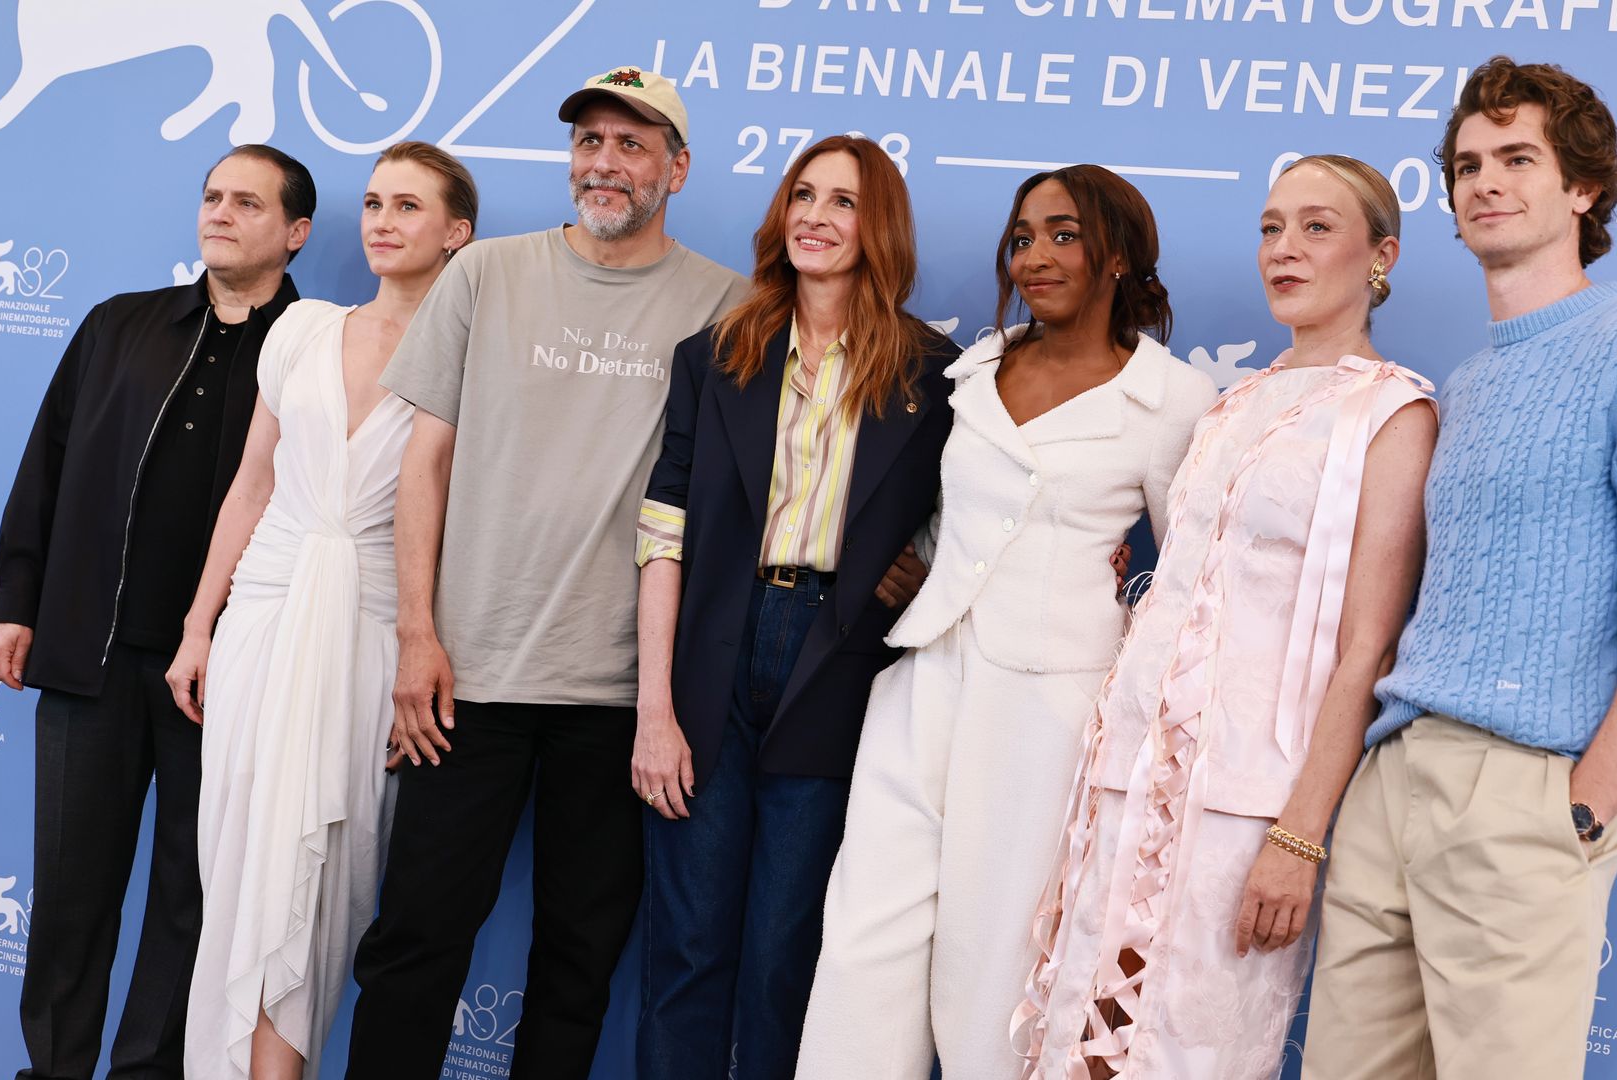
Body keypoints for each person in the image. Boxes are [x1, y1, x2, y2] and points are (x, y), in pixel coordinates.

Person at [1302, 57, 1617, 1080]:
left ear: (1582, 188)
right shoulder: (1469, 380)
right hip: (1395, 776)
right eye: (1466, 164)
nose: (1485, 181)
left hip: (1522, 800)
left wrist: (1580, 814)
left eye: (1517, 158)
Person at [342, 66, 747, 1079]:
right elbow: (422, 463)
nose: (604, 164)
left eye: (631, 145)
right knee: (415, 941)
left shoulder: (727, 307)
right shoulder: (487, 274)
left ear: (677, 169)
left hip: (618, 697)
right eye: (590, 143)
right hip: (462, 680)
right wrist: (416, 636)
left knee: (579, 960)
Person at [1012, 155, 1437, 1079]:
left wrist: (1298, 833)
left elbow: (1366, 644)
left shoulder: (1393, 414)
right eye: (1271, 227)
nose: (1284, 248)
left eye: (1317, 227)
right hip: (1127, 776)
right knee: (1075, 1042)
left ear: (1381, 255)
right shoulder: (1232, 402)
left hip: (1248, 807)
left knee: (1182, 1052)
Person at [796, 165, 1220, 1080]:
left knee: (995, 955)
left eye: (1064, 235)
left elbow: (1191, 577)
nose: (1036, 256)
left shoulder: (1171, 401)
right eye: (1023, 237)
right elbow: (947, 511)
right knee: (868, 931)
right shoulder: (977, 368)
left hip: (1049, 706)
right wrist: (918, 562)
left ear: (1117, 255)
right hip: (924, 673)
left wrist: (1120, 609)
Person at [630, 134, 957, 1080]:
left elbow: (967, 529)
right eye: (803, 195)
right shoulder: (716, 354)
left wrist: (916, 567)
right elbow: (664, 533)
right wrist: (656, 711)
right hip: (710, 656)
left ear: (879, 225)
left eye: (843, 202)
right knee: (688, 950)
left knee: (788, 955)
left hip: (841, 663)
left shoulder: (936, 375)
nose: (815, 216)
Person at [0, 144, 313, 1080]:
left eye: (248, 202)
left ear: (293, 232)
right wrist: (17, 602)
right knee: (69, 895)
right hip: (90, 657)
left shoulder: (314, 349)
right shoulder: (118, 325)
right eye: (212, 196)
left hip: (229, 673)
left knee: (190, 900)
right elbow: (45, 465)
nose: (220, 213)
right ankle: (52, 1071)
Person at [165, 141, 478, 1080]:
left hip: (369, 633)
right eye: (375, 202)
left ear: (458, 233)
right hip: (262, 613)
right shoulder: (300, 333)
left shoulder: (471, 356)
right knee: (239, 868)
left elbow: (462, 526)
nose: (382, 221)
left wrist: (424, 653)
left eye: (409, 207)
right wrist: (197, 627)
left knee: (322, 878)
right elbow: (249, 489)